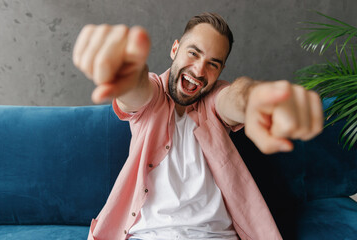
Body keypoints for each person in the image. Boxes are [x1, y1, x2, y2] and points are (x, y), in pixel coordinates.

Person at [73, 12, 323, 240]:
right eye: (193, 53)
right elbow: (137, 90)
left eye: (213, 63)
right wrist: (125, 74)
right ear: (175, 49)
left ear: (221, 70)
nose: (199, 69)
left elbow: (235, 96)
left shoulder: (215, 100)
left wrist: (254, 99)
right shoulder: (153, 96)